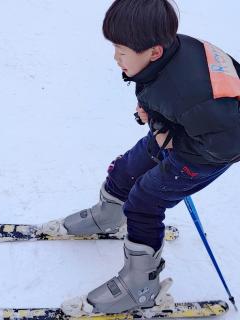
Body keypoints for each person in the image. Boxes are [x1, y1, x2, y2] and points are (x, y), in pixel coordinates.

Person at [62, 0, 240, 314]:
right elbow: (164, 93)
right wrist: (157, 117)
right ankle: (109, 216)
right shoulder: (167, 55)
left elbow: (228, 144)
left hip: (206, 154)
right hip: (188, 130)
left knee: (145, 199)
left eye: (122, 51)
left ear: (154, 51)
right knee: (127, 170)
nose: (116, 58)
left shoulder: (191, 93)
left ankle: (141, 287)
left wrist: (174, 141)